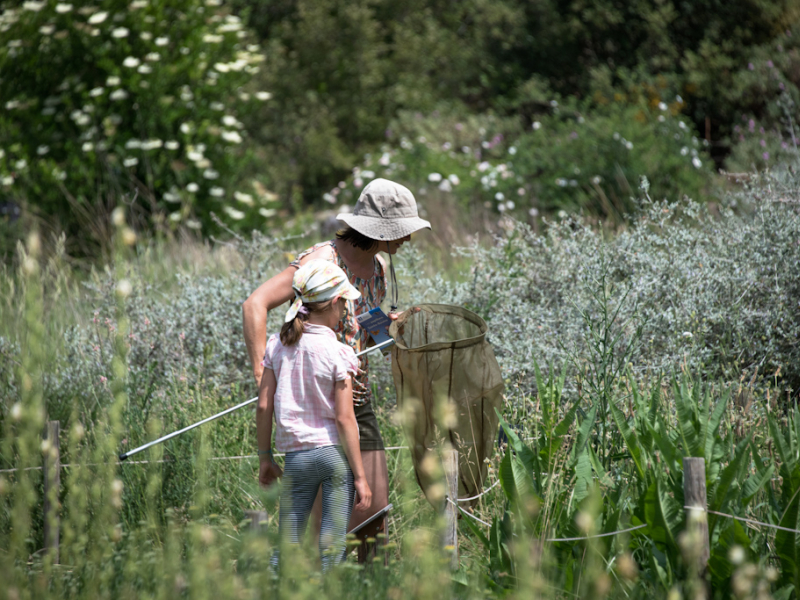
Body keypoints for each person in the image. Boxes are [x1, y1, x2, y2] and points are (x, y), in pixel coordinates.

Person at [243, 178, 431, 558]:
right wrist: (262, 374)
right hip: (314, 404)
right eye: (403, 230)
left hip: (355, 399)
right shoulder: (322, 262)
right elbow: (255, 304)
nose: (408, 239)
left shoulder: (379, 267)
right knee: (319, 529)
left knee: (373, 509)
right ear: (379, 230)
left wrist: (390, 327)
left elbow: (361, 333)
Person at [257, 259, 372, 572]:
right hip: (334, 457)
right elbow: (346, 419)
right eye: (344, 305)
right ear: (335, 303)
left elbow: (264, 406)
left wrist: (265, 458)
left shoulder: (277, 346)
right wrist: (360, 478)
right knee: (332, 552)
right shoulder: (338, 353)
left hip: (297, 458)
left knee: (286, 546)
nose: (344, 312)